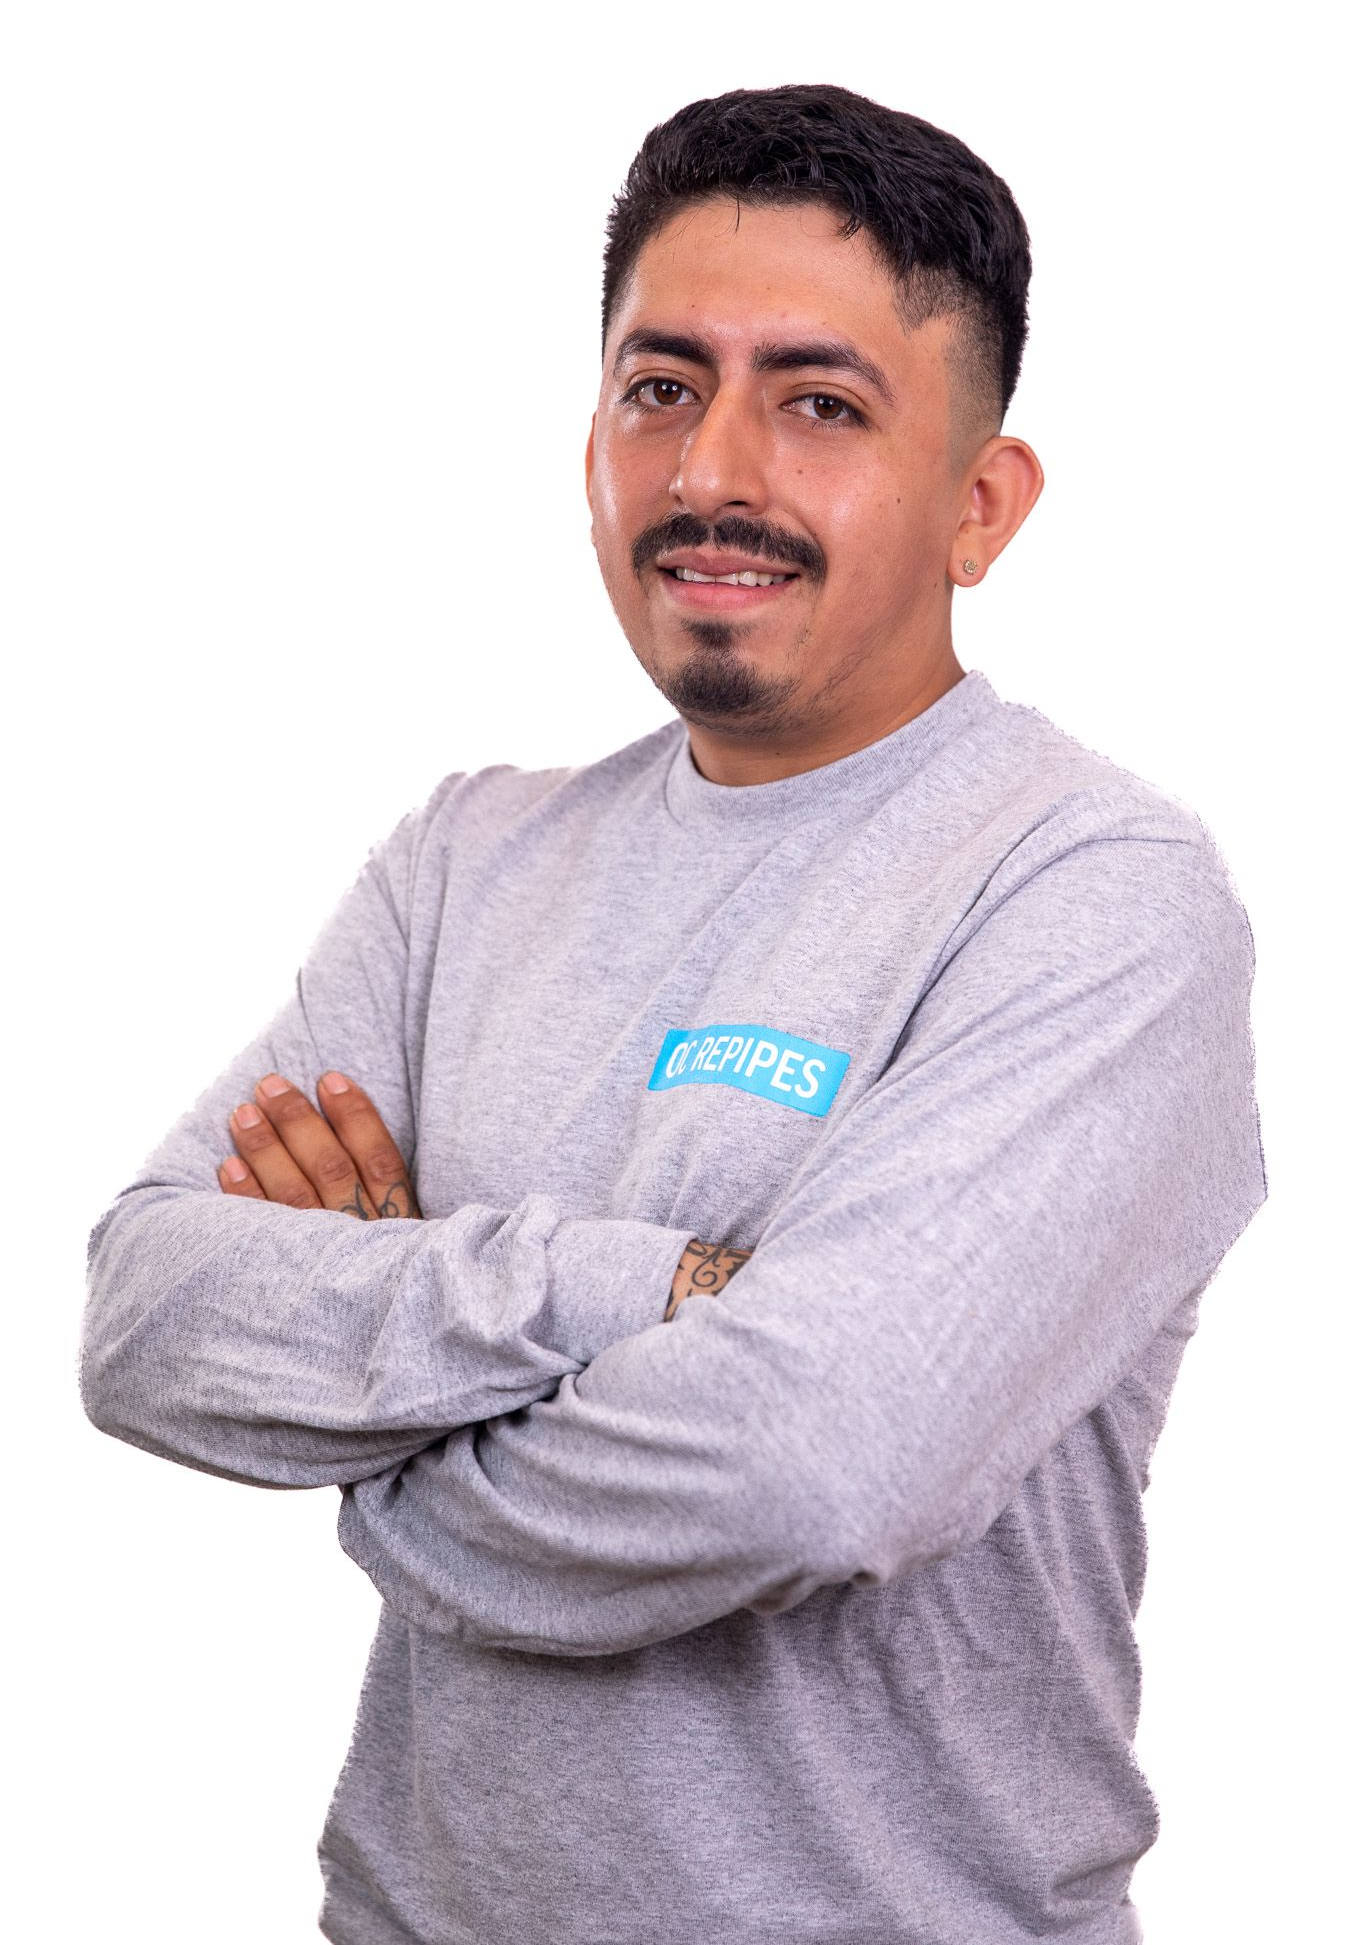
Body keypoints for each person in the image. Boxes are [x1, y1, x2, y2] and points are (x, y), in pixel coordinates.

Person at [79, 82, 1268, 1945]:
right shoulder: (463, 859)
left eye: (821, 402)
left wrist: (379, 1446)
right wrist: (645, 1292)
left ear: (981, 504)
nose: (717, 471)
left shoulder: (1093, 897)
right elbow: (147, 1313)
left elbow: (805, 1471)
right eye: (662, 387)